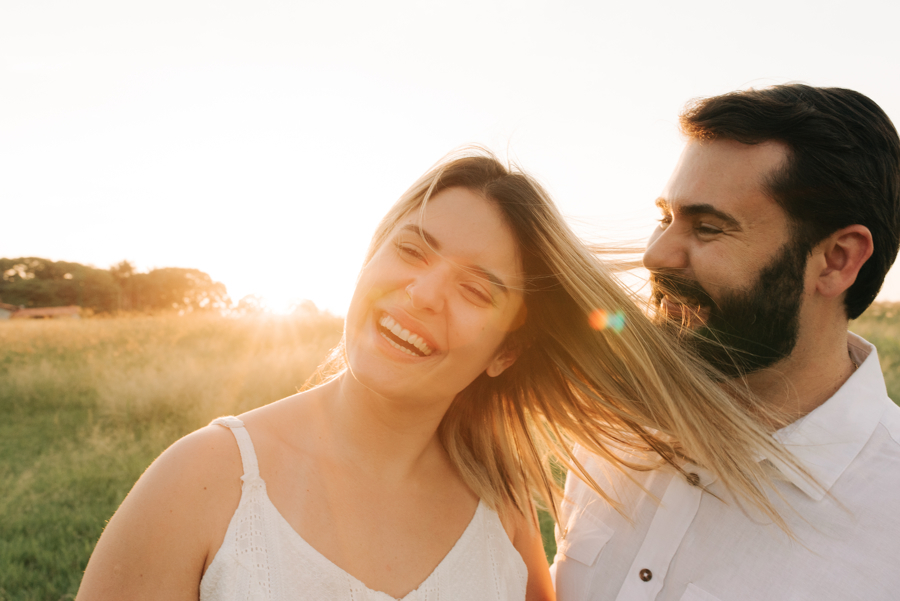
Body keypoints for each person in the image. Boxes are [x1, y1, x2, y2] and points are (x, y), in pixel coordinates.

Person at [78, 150, 799, 601]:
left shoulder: (504, 512)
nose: (422, 294)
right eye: (412, 251)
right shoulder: (204, 482)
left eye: (477, 290)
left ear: (505, 352)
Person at [552, 84, 900, 600]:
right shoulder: (617, 435)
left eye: (708, 227)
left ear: (837, 259)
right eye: (665, 218)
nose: (655, 255)